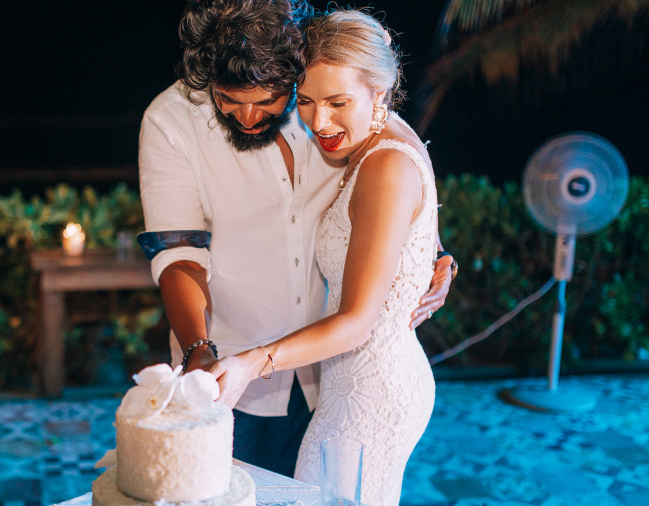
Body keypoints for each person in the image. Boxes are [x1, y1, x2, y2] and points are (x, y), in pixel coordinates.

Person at [137, 0, 454, 478]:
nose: (246, 117)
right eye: (227, 100)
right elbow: (179, 256)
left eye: (267, 101)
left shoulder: (322, 98)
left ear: (292, 67)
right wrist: (200, 348)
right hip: (228, 375)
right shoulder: (170, 120)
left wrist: (433, 250)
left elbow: (398, 169)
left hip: (325, 372)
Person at [208, 8, 441, 504]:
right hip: (352, 381)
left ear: (378, 91)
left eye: (339, 102)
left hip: (370, 395)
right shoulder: (388, 136)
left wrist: (253, 362)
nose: (320, 121)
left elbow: (357, 321)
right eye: (308, 101)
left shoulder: (386, 166)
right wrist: (441, 258)